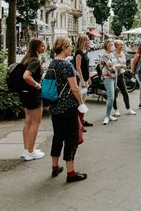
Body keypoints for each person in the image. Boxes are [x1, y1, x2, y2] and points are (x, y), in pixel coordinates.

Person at [45, 36, 87, 183]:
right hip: (68, 107)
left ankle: (55, 167)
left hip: (55, 106)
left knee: (57, 137)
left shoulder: (52, 63)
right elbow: (74, 88)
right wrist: (81, 103)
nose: (71, 48)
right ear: (63, 47)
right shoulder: (66, 65)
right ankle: (71, 172)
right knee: (70, 139)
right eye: (69, 46)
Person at [20, 38, 46, 160]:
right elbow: (26, 76)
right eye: (42, 46)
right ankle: (31, 151)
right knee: (36, 122)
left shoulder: (26, 58)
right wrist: (37, 85)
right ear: (37, 48)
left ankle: (26, 149)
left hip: (25, 93)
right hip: (33, 94)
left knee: (28, 122)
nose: (45, 47)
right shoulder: (35, 60)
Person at [72, 35, 93, 128]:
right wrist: (82, 80)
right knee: (80, 101)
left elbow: (86, 67)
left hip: (85, 79)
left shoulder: (85, 52)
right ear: (83, 41)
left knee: (83, 101)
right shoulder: (79, 53)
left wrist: (88, 78)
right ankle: (78, 124)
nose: (89, 42)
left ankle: (81, 120)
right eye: (87, 40)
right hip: (81, 81)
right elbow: (78, 67)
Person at [112, 40, 136, 116]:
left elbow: (125, 66)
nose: (122, 47)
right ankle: (116, 110)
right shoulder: (112, 54)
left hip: (120, 75)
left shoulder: (123, 54)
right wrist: (118, 66)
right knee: (114, 93)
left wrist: (122, 66)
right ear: (116, 46)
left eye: (122, 45)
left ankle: (128, 109)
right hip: (113, 76)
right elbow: (111, 65)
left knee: (125, 92)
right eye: (120, 45)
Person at [100, 40, 119, 125]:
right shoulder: (104, 55)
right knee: (111, 97)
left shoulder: (112, 54)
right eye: (110, 45)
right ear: (106, 46)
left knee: (112, 96)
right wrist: (119, 66)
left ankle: (109, 115)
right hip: (108, 77)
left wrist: (118, 66)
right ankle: (107, 116)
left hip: (114, 76)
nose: (112, 46)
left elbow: (117, 64)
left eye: (112, 44)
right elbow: (111, 67)